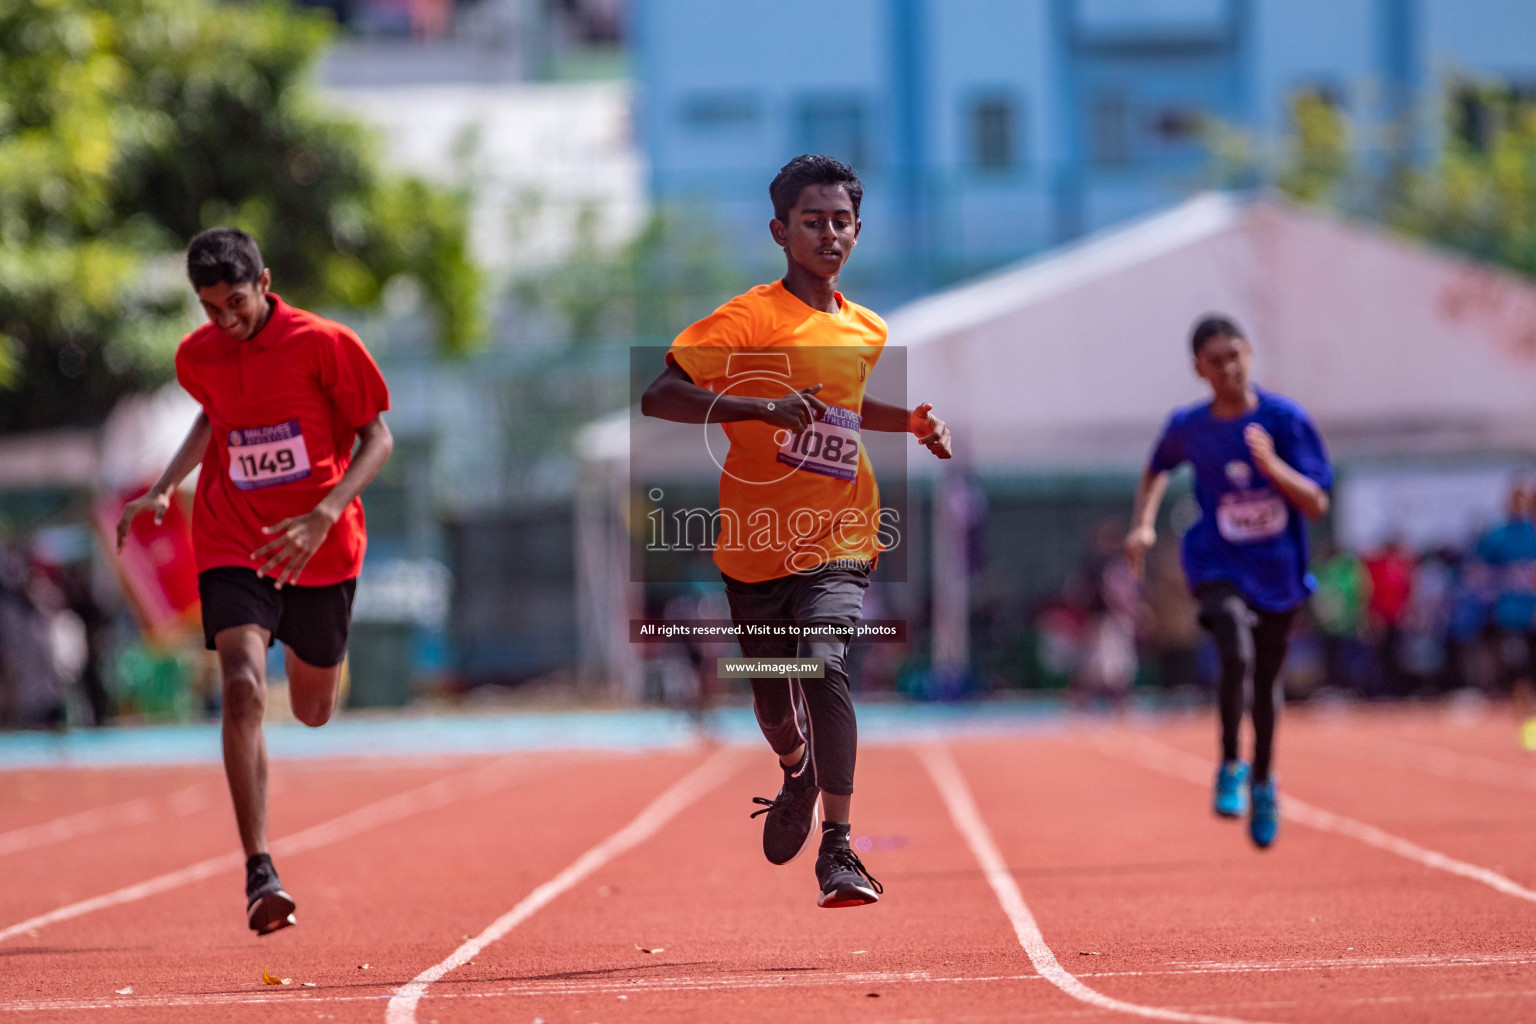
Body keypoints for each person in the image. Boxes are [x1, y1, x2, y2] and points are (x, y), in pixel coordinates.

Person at [641, 155, 952, 907]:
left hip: (842, 535)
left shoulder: (867, 327)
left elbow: (841, 407)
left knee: (826, 664)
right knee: (774, 699)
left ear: (857, 230)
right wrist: (758, 410)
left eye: (842, 221)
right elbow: (660, 395)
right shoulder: (749, 317)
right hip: (753, 551)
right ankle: (794, 768)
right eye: (813, 222)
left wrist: (904, 421)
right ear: (781, 232)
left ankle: (840, 850)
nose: (830, 234)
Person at [116, 228, 393, 934]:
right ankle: (259, 871)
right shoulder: (196, 356)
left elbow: (378, 438)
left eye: (236, 303)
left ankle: (311, 655)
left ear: (264, 282)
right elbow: (216, 416)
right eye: (211, 309)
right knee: (240, 686)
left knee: (311, 711)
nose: (226, 321)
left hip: (319, 549)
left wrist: (326, 512)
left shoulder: (326, 344)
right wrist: (163, 486)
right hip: (232, 535)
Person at [1124, 315, 1331, 849]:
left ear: (1250, 354)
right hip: (1217, 562)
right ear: (1199, 369)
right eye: (1216, 361)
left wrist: (1272, 465)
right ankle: (1230, 764)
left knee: (1265, 681)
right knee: (1233, 647)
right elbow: (1157, 467)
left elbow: (1316, 502)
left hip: (1278, 568)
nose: (1229, 368)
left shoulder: (1286, 421)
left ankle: (1264, 781)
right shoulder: (1190, 425)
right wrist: (1143, 525)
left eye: (1236, 355)